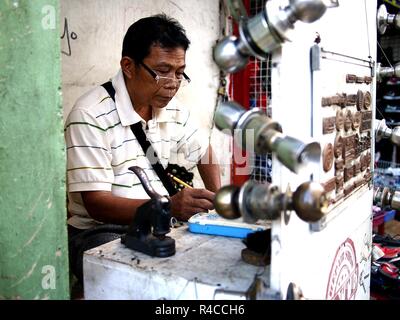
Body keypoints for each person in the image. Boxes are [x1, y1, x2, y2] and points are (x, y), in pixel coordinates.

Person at [65, 14, 221, 283]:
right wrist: (170, 207)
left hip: (162, 223)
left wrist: (220, 205)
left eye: (179, 72)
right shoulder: (89, 114)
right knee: (139, 276)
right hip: (101, 231)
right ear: (128, 65)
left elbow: (204, 151)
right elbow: (96, 205)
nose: (172, 83)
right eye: (161, 72)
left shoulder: (172, 108)